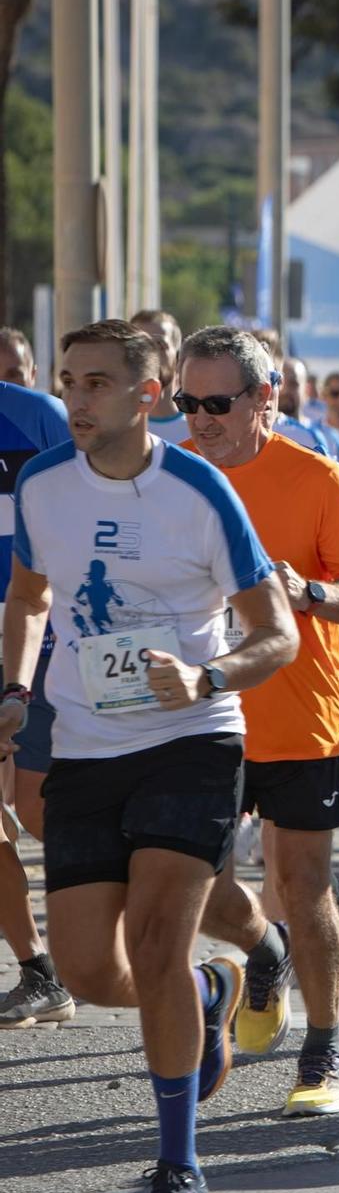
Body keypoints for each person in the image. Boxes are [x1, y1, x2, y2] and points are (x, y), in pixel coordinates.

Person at [2, 319, 299, 1193]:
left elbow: (276, 632)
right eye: (67, 381)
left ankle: (180, 1165)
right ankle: (212, 992)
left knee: (158, 936)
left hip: (191, 739)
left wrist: (206, 675)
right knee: (93, 969)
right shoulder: (41, 483)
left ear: (149, 393)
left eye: (95, 382)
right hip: (87, 745)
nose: (75, 399)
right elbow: (29, 598)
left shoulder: (200, 491)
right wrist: (15, 686)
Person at [179, 326, 339, 1116]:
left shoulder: (317, 479)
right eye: (187, 401)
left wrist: (309, 594)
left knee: (301, 889)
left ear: (265, 398)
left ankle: (325, 1048)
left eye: (217, 402)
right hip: (201, 719)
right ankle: (264, 954)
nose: (199, 418)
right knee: (194, 884)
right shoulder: (175, 481)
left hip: (300, 718)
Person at [0, 355, 73, 1027]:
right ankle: (38, 969)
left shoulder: (36, 417)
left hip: (32, 644)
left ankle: (128, 905)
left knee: (43, 813)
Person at [129, 311, 191, 446]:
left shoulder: (197, 431)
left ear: (178, 357)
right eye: (140, 346)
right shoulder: (116, 430)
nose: (149, 354)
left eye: (159, 345)